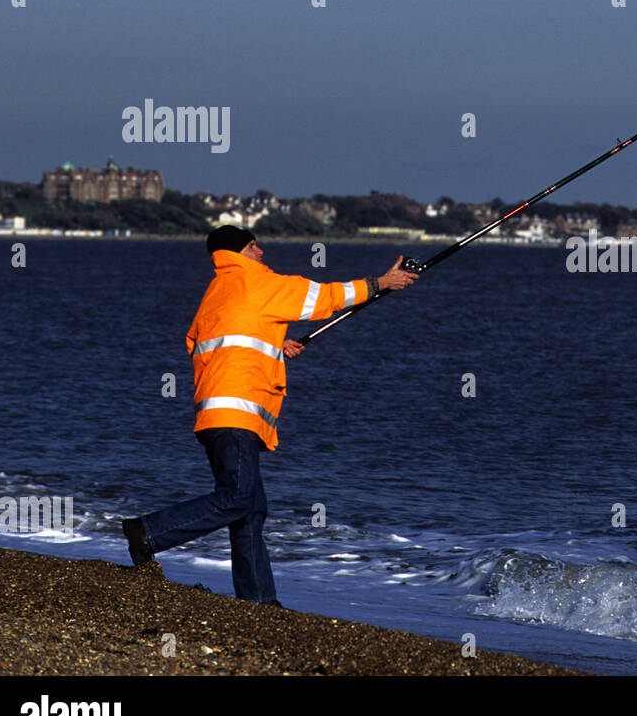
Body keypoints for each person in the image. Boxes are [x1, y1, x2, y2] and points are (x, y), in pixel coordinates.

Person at [121, 225, 417, 604]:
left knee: (251, 508)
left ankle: (259, 600)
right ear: (239, 252)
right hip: (237, 413)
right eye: (254, 245)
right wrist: (382, 282)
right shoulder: (258, 282)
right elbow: (325, 297)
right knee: (238, 499)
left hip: (214, 414)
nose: (262, 252)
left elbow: (216, 341)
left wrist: (275, 345)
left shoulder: (217, 291)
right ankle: (148, 532)